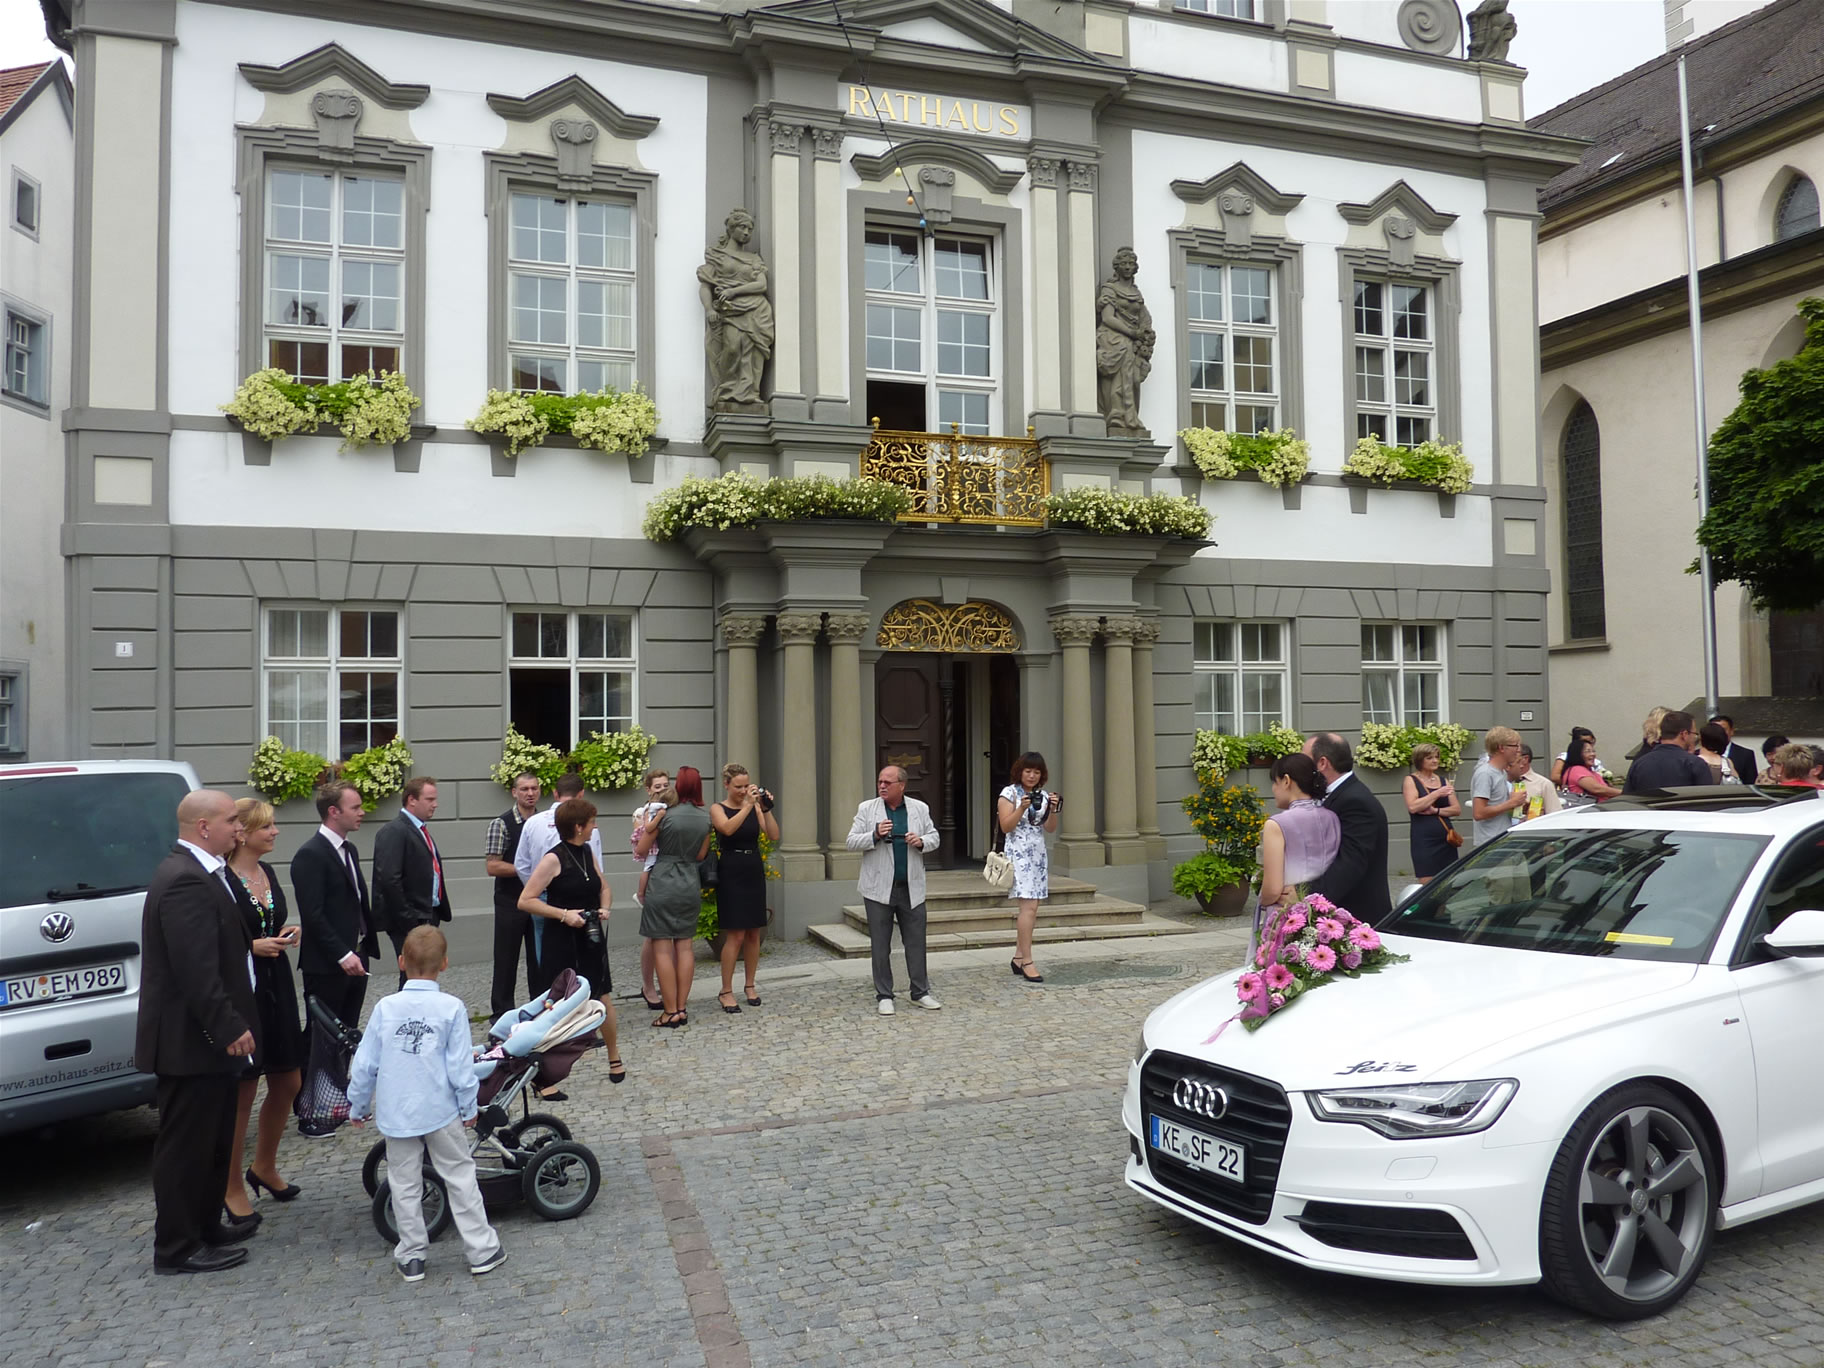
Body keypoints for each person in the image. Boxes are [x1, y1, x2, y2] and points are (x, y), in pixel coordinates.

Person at [135, 790, 259, 1275]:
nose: (239, 828)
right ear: (204, 827)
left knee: (213, 1142)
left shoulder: (207, 872)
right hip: (190, 1042)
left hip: (207, 1041)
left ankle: (205, 1226)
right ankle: (176, 1247)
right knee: (186, 1147)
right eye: (231, 820)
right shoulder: (184, 879)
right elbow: (195, 969)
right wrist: (228, 1025)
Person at [347, 925, 506, 1283]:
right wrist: (468, 1106)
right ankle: (481, 1249)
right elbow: (461, 1067)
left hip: (397, 1113)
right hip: (441, 1110)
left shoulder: (385, 1008)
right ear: (444, 963)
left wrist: (358, 1104)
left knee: (404, 1184)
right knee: (460, 1176)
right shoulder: (451, 1008)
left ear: (401, 962)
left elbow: (365, 1063)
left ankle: (412, 1255)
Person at [223, 799, 304, 1221]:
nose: (275, 832)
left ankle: (264, 1166)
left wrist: (286, 933)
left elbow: (269, 919)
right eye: (266, 826)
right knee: (244, 1089)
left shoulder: (267, 871)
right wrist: (251, 946)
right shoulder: (223, 879)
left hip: (277, 983)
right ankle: (230, 1183)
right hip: (245, 986)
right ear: (243, 833)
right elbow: (219, 938)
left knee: (289, 1080)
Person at [517, 798, 623, 1085]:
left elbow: (604, 887)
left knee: (602, 995)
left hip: (590, 936)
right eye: (591, 822)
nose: (594, 827)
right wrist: (564, 915)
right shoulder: (553, 859)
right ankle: (541, 1076)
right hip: (562, 938)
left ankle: (614, 1058)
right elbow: (525, 900)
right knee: (555, 1004)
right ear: (578, 827)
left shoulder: (587, 851)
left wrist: (604, 908)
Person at [846, 765, 943, 1013]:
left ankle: (920, 992)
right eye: (880, 781)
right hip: (878, 888)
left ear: (902, 785)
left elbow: (934, 837)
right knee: (880, 944)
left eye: (888, 783)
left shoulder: (919, 808)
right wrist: (875, 834)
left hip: (911, 886)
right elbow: (851, 841)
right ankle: (884, 995)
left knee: (916, 942)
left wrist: (921, 842)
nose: (882, 786)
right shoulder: (867, 808)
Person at [291, 781, 377, 1035]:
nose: (362, 812)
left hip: (357, 957)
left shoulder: (349, 850)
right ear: (333, 812)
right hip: (327, 965)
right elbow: (312, 914)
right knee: (324, 1037)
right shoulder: (311, 854)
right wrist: (342, 954)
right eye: (355, 807)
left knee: (349, 1032)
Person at [634, 766, 713, 1028]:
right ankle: (681, 1007)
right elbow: (700, 855)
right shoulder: (705, 818)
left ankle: (669, 1011)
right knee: (685, 946)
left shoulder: (665, 814)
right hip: (689, 882)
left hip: (663, 881)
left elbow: (642, 849)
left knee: (662, 948)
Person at [515, 773, 606, 980]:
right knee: (563, 964)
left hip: (546, 899)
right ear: (581, 794)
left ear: (556, 793)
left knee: (546, 958)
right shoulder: (584, 829)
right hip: (564, 904)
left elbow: (522, 865)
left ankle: (545, 991)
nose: (594, 826)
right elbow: (598, 872)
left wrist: (539, 889)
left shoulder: (533, 822)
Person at [710, 764, 780, 1013]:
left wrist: (766, 809)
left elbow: (773, 835)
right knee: (736, 934)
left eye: (746, 786)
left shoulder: (754, 806)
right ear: (726, 785)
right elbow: (727, 829)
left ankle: (750, 984)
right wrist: (748, 806)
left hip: (753, 867)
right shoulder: (718, 808)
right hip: (731, 869)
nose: (742, 791)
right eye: (738, 786)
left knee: (753, 933)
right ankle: (726, 990)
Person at [374, 777, 453, 989]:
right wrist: (408, 921)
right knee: (414, 974)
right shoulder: (395, 831)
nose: (435, 804)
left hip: (428, 913)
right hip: (410, 918)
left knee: (424, 973)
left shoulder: (419, 829)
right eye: (430, 799)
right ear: (412, 800)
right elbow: (389, 879)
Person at [1305, 733, 1391, 922]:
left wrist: (1305, 900)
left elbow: (1348, 866)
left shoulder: (1355, 802)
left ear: (1322, 763)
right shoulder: (1336, 795)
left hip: (1355, 918)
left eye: (1305, 761)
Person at [483, 773, 543, 1019]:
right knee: (506, 959)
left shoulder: (544, 822)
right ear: (514, 792)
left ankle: (541, 1009)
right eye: (525, 789)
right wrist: (527, 870)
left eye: (534, 788)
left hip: (539, 901)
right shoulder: (501, 824)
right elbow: (492, 866)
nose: (530, 793)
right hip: (510, 901)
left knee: (540, 960)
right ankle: (501, 1014)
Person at [996, 753, 1059, 985]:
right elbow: (1006, 826)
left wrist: (1052, 809)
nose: (1032, 776)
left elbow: (1050, 828)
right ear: (1020, 772)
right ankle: (1028, 961)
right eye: (1028, 771)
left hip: (1038, 855)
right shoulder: (1009, 793)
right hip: (1018, 854)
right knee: (1028, 908)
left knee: (1033, 907)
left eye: (1037, 772)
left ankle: (1018, 956)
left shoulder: (1042, 795)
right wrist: (1021, 808)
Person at [1258, 753, 1341, 923]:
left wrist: (1262, 899)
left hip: (1287, 915)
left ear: (1286, 781)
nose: (1273, 789)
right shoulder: (1332, 817)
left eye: (1275, 782)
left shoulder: (1276, 824)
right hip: (1325, 913)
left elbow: (1273, 890)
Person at [631, 768, 670, 1010]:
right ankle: (648, 986)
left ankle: (668, 983)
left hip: (672, 873)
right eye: (658, 786)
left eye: (666, 785)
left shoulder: (672, 809)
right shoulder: (642, 812)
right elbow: (640, 847)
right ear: (648, 789)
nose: (663, 790)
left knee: (672, 933)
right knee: (653, 933)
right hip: (654, 869)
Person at [1401, 743, 1460, 883]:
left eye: (1436, 757)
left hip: (1446, 837)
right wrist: (1437, 794)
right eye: (1429, 758)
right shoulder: (1411, 780)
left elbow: (1456, 809)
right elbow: (1413, 807)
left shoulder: (1443, 781)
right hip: (1424, 839)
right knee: (1427, 881)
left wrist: (1436, 810)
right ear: (1419, 760)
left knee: (1449, 880)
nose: (1435, 761)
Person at [1623, 710, 1717, 793]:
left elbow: (1627, 799)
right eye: (1694, 734)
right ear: (1684, 734)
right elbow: (1706, 799)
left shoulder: (1639, 763)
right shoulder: (1694, 763)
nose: (1694, 738)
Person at [1470, 727, 1528, 848]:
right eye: (1515, 746)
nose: (1518, 750)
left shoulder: (1502, 773)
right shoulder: (1485, 773)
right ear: (1501, 748)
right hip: (1489, 843)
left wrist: (1518, 805)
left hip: (1502, 839)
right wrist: (1511, 803)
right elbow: (1479, 813)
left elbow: (1498, 806)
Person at [1560, 733, 1622, 804]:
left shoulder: (1584, 770)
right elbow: (1597, 789)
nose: (1593, 754)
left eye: (1593, 751)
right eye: (1588, 751)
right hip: (1590, 808)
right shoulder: (1577, 770)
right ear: (1577, 754)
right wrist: (1626, 793)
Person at [1511, 744, 1563, 818]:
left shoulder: (1544, 784)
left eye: (1514, 756)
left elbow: (1555, 815)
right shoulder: (1504, 782)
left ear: (1525, 759)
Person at [1711, 714, 1758, 785]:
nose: (1719, 733)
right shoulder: (1698, 755)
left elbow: (1751, 783)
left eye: (1723, 730)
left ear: (1731, 731)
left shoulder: (1746, 754)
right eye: (1715, 730)